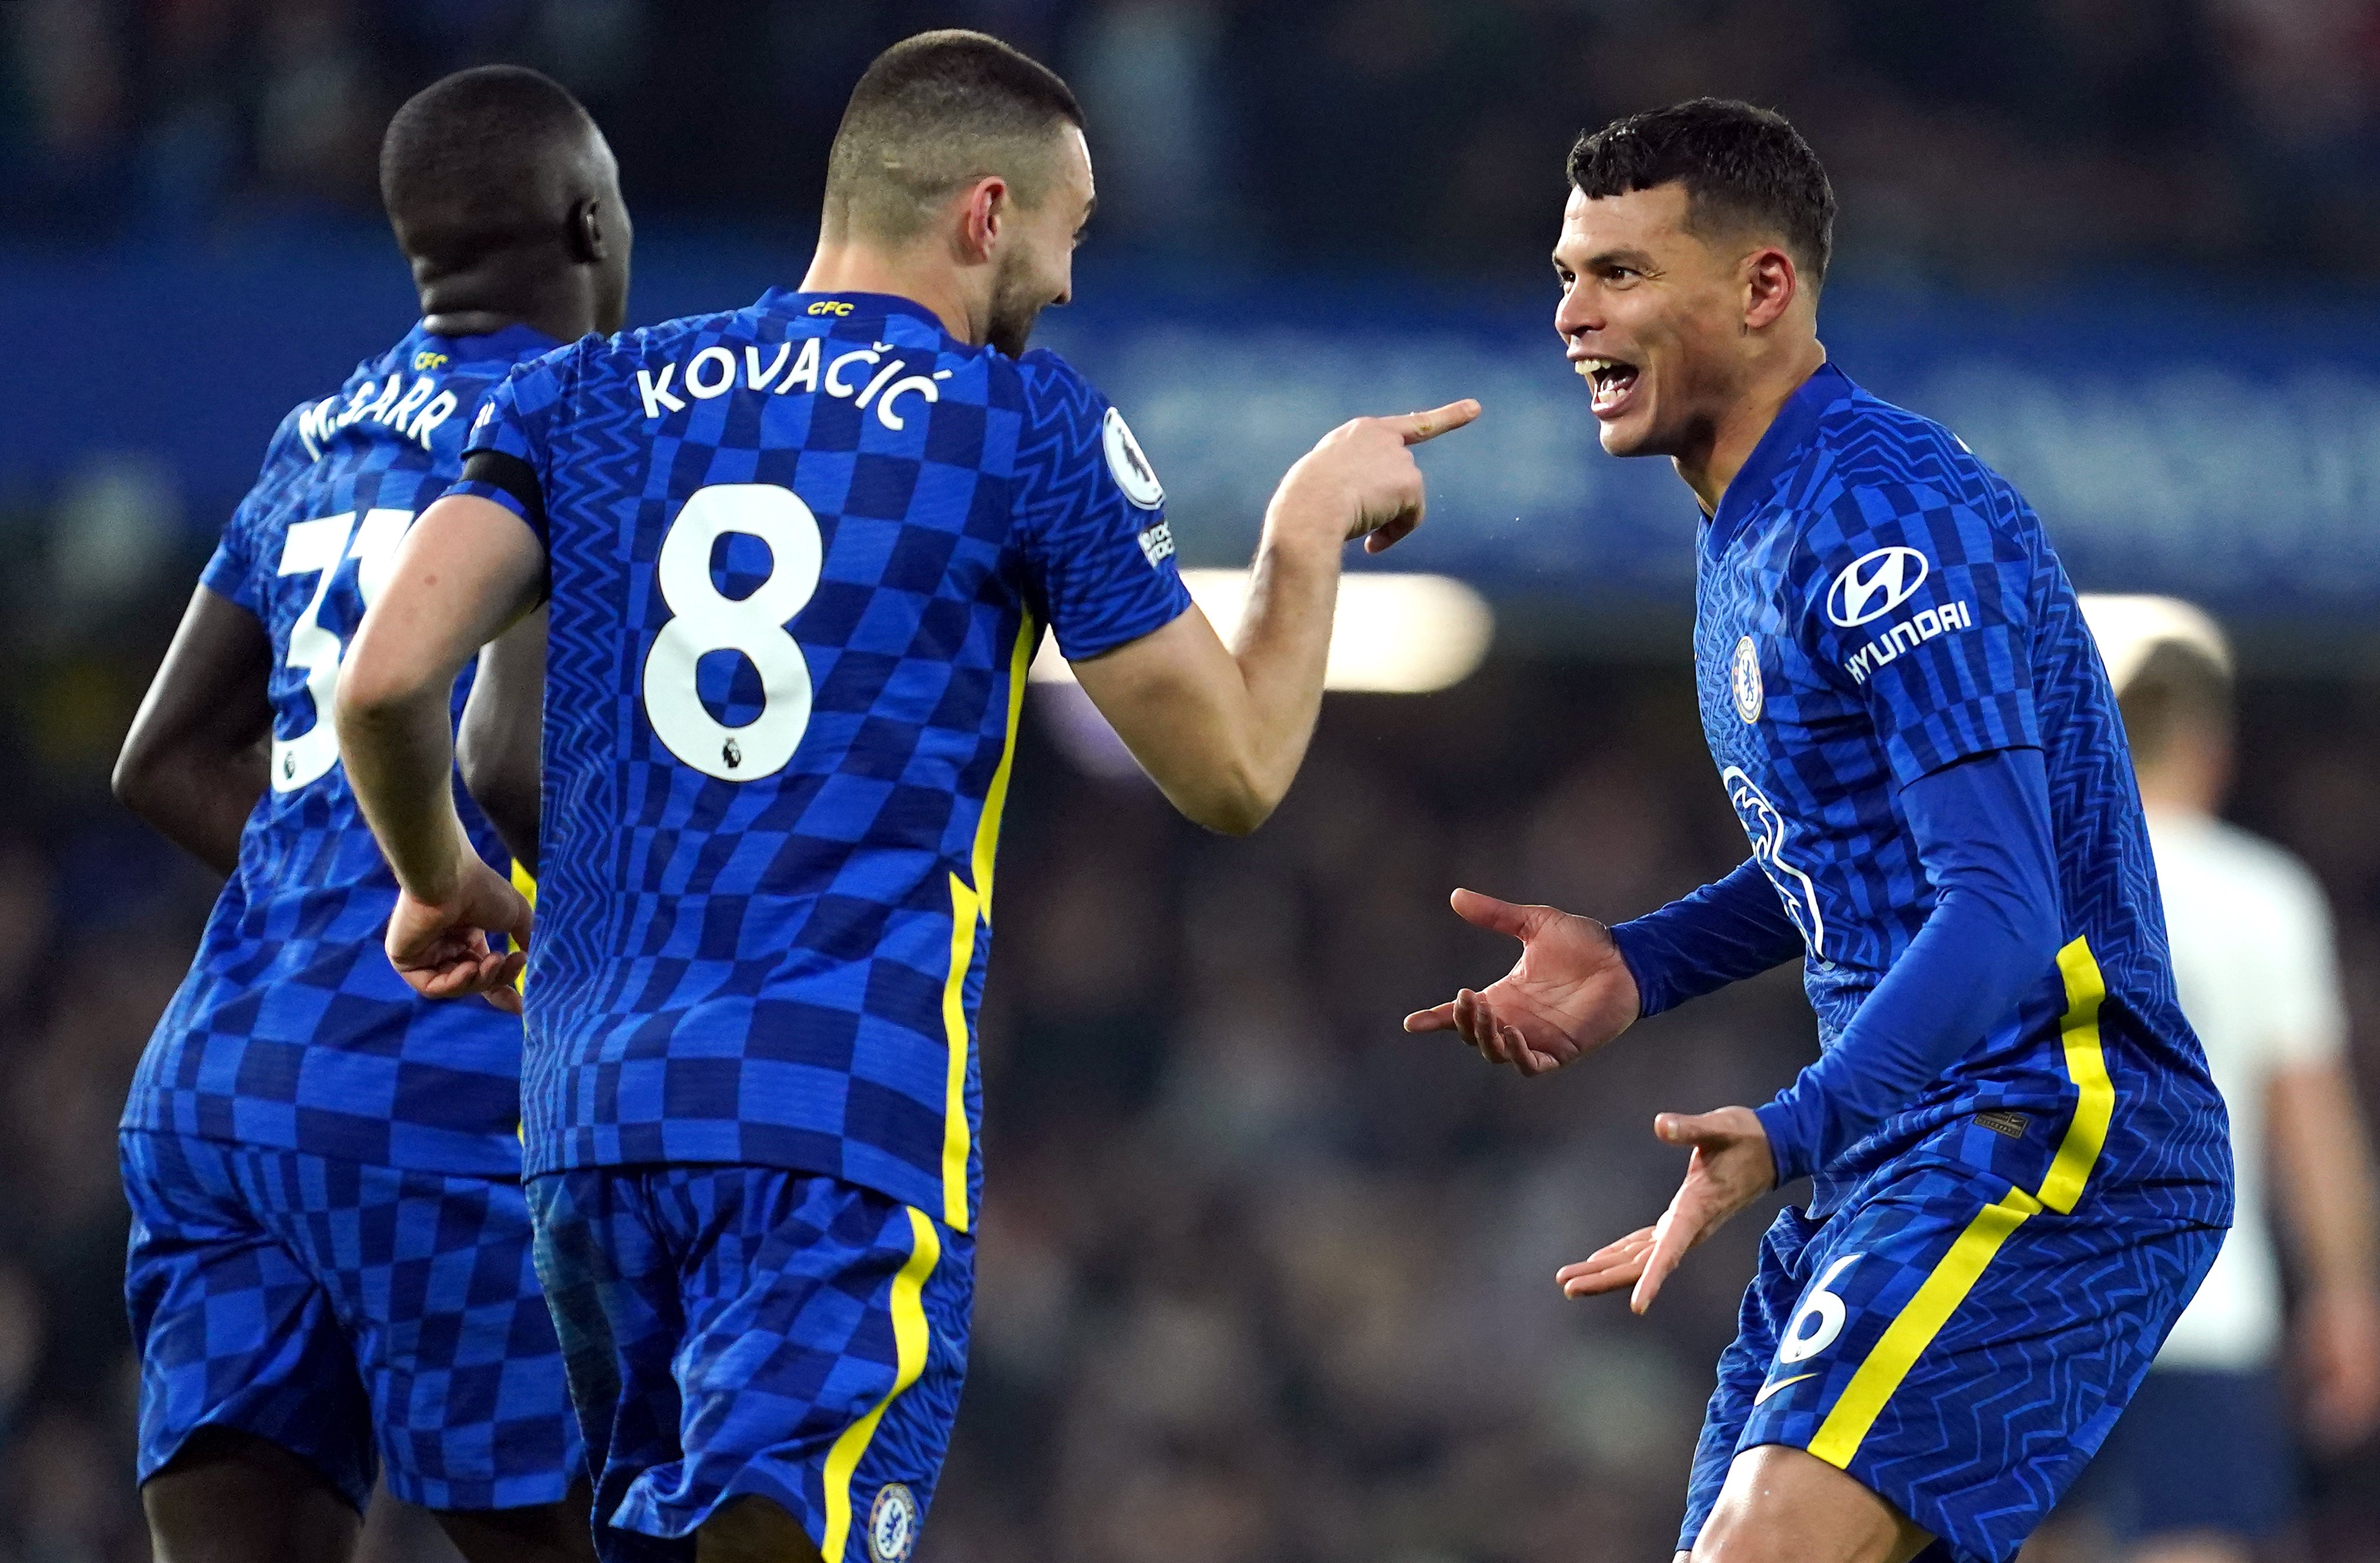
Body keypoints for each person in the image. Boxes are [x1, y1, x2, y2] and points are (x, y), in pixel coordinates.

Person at [331, 29, 1475, 1563]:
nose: (1067, 284)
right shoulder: (1019, 426)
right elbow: (1234, 769)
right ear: (985, 212)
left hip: (589, 1117)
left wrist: (436, 873)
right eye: (1068, 236)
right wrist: (1307, 524)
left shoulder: (583, 400)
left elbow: (400, 688)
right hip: (834, 1109)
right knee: (772, 1525)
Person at [1403, 99, 2231, 1563]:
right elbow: (1863, 848)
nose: (1570, 315)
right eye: (1564, 273)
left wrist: (1791, 1128)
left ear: (1763, 286)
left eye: (1619, 274)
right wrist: (1642, 963)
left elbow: (1997, 900)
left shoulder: (1880, 514)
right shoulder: (1754, 524)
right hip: (1907, 1138)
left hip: (2054, 1117)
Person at [110, 65, 630, 1563]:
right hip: (440, 1093)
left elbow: (162, 756)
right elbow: (512, 761)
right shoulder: (587, 419)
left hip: (216, 1085)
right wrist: (498, 905)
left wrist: (347, 898)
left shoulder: (318, 427)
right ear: (591, 219)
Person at [2065, 599, 2380, 1561]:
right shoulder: (2264, 897)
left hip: (2037, 1302)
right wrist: (2346, 1296)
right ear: (2209, 746)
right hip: (2205, 1304)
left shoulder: (2032, 887)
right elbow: (2311, 1125)